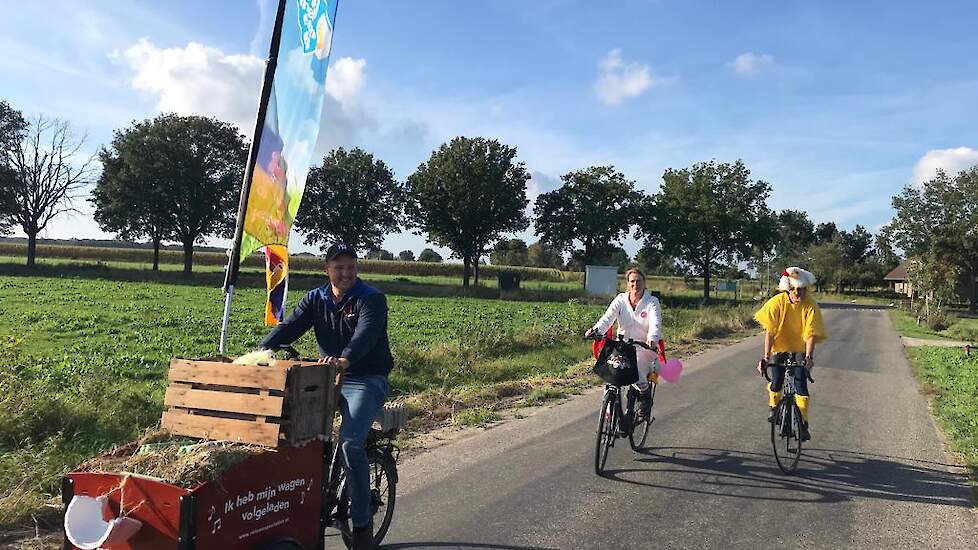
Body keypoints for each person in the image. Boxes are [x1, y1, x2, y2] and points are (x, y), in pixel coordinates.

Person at [259, 242, 393, 550]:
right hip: (326, 377)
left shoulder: (370, 299)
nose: (346, 273)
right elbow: (289, 327)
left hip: (364, 379)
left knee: (349, 443)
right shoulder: (315, 299)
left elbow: (365, 335)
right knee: (297, 435)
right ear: (327, 270)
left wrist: (345, 359)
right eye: (339, 267)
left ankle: (361, 525)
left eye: (351, 266)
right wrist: (260, 351)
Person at [754, 266, 827, 441]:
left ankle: (803, 424)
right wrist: (765, 357)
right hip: (780, 346)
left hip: (801, 348)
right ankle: (774, 407)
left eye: (801, 290)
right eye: (794, 290)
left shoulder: (811, 305)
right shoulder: (777, 302)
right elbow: (770, 332)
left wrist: (809, 358)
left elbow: (811, 333)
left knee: (801, 384)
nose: (797, 293)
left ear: (806, 289)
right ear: (788, 289)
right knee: (776, 379)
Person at [585, 267, 665, 422]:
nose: (636, 284)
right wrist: (596, 330)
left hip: (644, 348)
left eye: (639, 281)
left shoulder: (651, 302)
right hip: (622, 346)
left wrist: (652, 338)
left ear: (644, 283)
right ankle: (609, 413)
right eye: (632, 281)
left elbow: (655, 323)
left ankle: (644, 395)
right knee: (611, 374)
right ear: (628, 284)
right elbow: (607, 318)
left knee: (636, 371)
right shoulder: (621, 300)